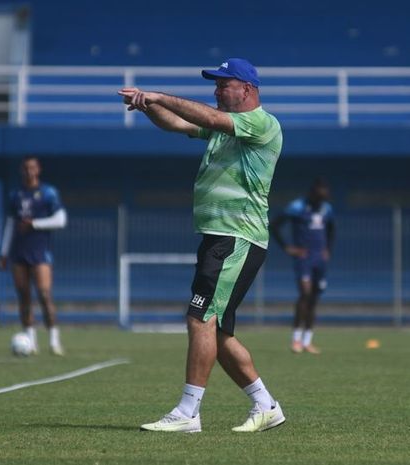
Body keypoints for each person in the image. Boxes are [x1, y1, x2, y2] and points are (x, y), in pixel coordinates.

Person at [118, 58, 285, 433]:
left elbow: (208, 118)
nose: (216, 90)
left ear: (247, 89)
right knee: (217, 331)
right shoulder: (226, 130)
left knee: (200, 318)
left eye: (223, 84)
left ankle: (188, 412)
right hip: (219, 236)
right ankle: (265, 404)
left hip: (236, 236)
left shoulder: (261, 123)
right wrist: (149, 106)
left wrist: (160, 94)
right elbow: (178, 123)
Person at [0, 156, 67, 356]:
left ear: (38, 170)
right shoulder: (16, 195)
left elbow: (61, 219)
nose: (30, 171)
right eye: (26, 168)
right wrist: (4, 252)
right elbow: (11, 224)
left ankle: (54, 341)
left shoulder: (48, 193)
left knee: (45, 295)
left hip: (40, 252)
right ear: (22, 171)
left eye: (33, 168)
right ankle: (31, 341)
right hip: (19, 252)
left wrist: (35, 224)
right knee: (24, 297)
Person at [269, 178, 335, 354]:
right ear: (312, 193)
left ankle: (307, 341)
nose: (322, 200)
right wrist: (287, 247)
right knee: (304, 295)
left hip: (319, 259)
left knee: (314, 298)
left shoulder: (326, 208)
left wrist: (327, 249)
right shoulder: (297, 207)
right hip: (304, 258)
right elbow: (274, 225)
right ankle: (296, 340)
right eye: (319, 196)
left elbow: (331, 229)